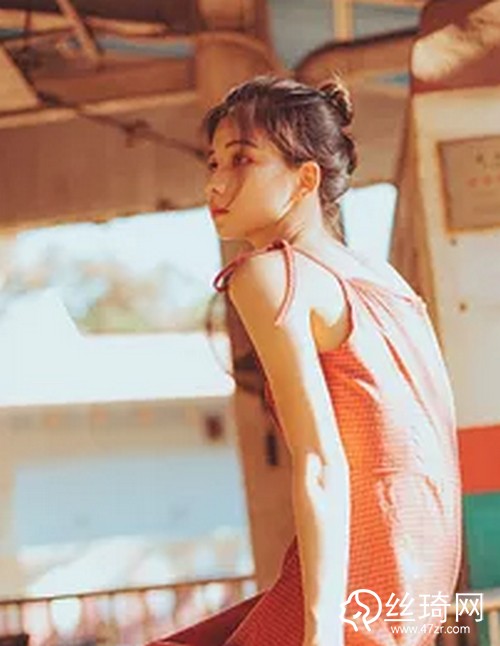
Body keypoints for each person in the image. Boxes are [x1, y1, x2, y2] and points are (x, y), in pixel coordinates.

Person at [146, 75, 462, 646]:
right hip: (421, 583)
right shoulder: (386, 280)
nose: (215, 182)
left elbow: (320, 462)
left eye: (242, 159)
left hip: (360, 584)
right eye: (213, 163)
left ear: (305, 179)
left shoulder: (272, 274)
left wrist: (323, 633)